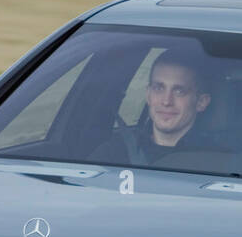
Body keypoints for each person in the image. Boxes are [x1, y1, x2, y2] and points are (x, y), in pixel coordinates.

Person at [92, 47, 229, 165]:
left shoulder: (216, 161)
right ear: (148, 95)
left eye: (179, 91)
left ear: (201, 102)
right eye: (159, 88)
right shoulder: (114, 152)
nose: (166, 101)